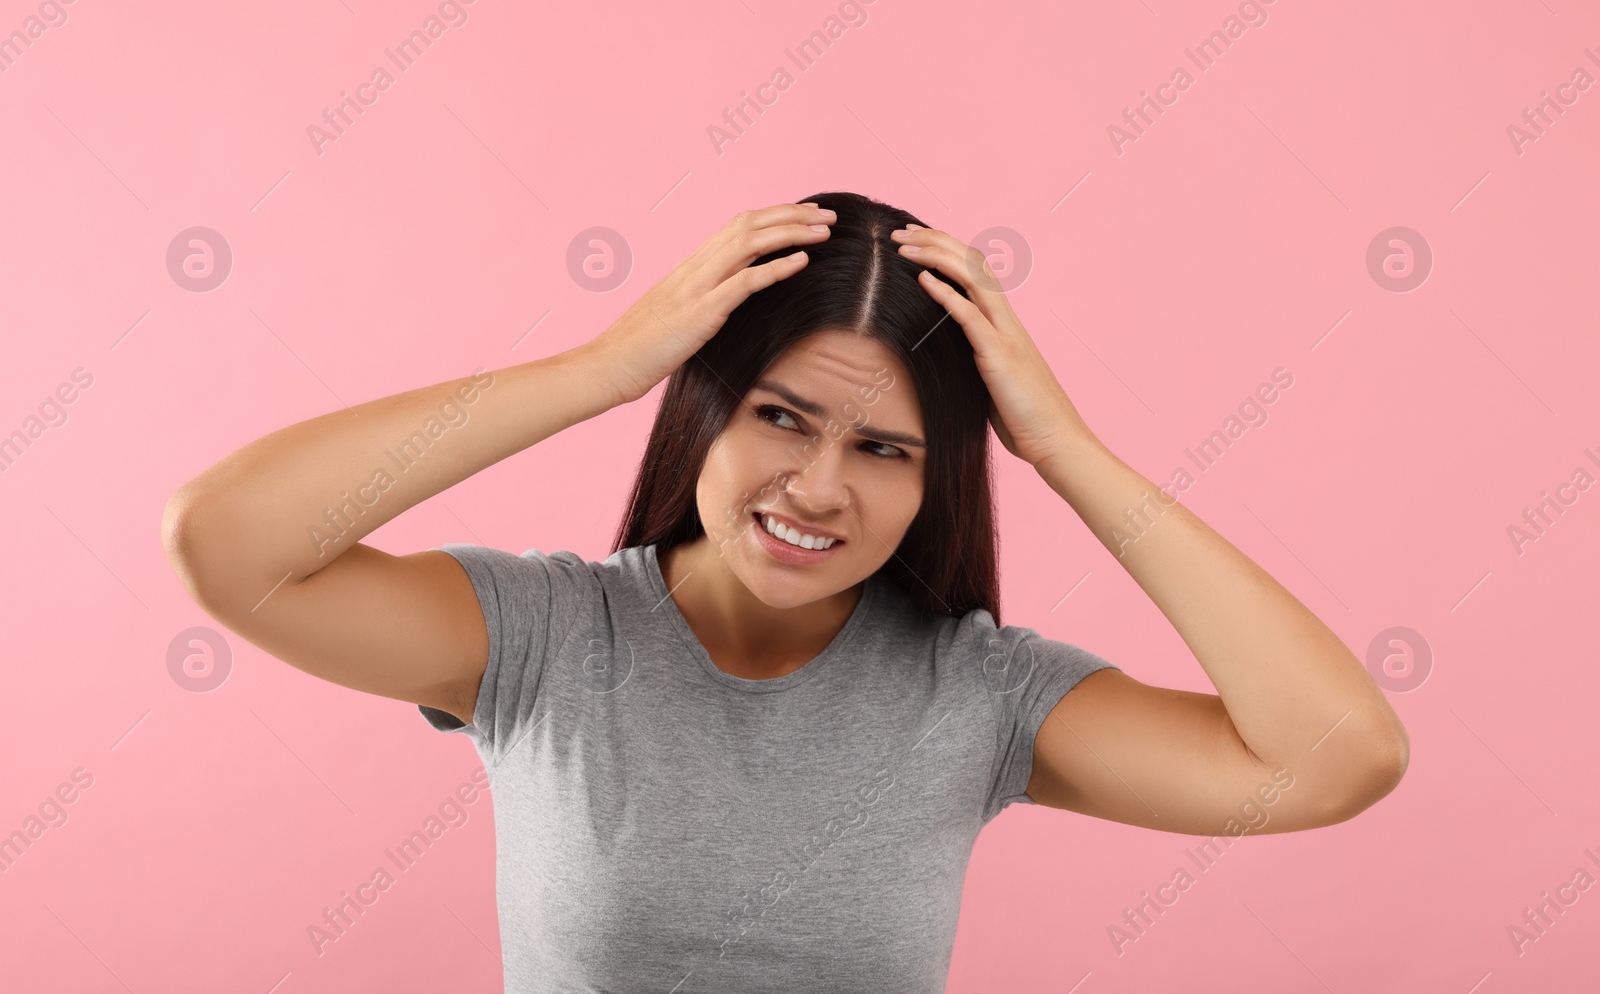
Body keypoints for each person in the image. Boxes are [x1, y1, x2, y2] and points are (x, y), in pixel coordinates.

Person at [161, 192, 1409, 991]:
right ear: (704, 409)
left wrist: (1066, 451)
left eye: (882, 448)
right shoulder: (541, 638)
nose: (817, 486)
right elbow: (227, 541)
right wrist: (602, 368)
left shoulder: (975, 691)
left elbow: (1335, 756)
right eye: (779, 418)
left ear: (937, 481)